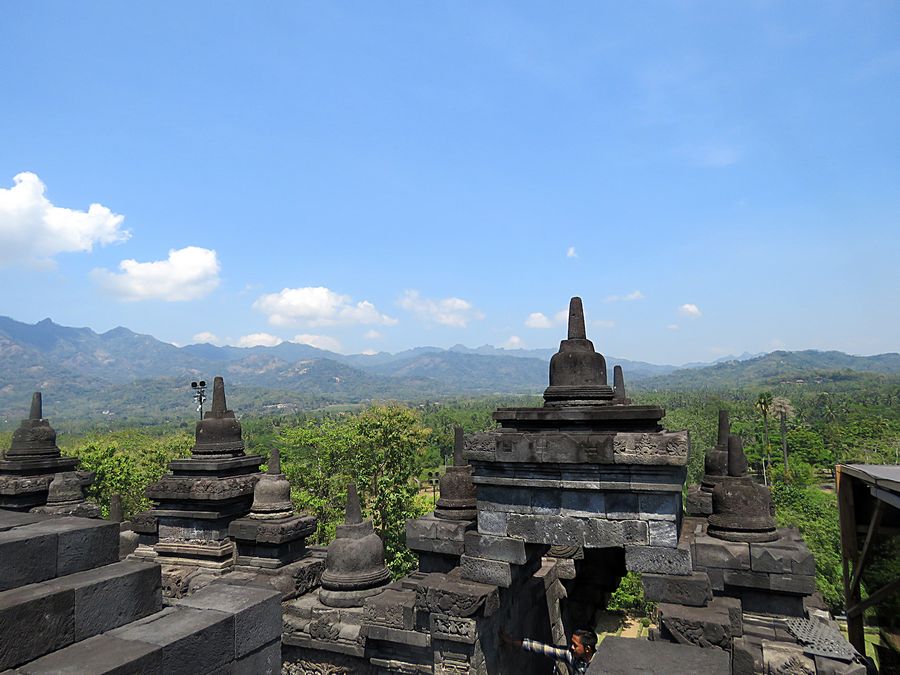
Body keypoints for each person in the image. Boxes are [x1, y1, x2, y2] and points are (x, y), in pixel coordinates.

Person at [499, 627, 597, 674]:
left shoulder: (600, 663)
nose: (571, 647)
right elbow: (543, 648)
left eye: (575, 645)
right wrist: (511, 641)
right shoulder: (570, 655)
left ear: (587, 649)